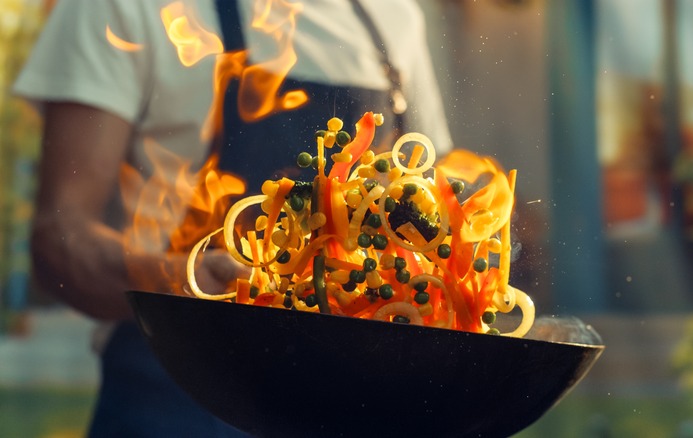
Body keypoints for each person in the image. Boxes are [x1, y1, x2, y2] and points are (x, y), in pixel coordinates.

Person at [13, 0, 452, 435]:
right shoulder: (121, 7)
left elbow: (428, 203)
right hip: (175, 394)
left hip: (357, 401)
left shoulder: (392, 15)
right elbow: (60, 238)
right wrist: (187, 279)